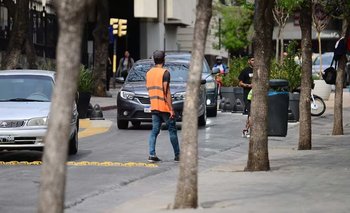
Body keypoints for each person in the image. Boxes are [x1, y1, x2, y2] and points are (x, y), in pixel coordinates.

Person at [145, 50, 180, 163]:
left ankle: (151, 154)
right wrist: (171, 109)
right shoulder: (165, 73)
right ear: (163, 60)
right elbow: (166, 92)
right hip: (164, 107)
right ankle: (177, 155)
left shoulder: (149, 73)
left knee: (154, 131)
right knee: (172, 131)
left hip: (154, 106)